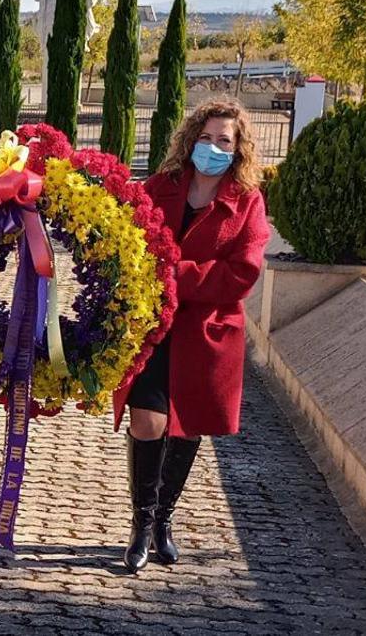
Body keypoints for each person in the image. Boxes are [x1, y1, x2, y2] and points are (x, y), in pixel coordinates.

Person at [114, 97, 270, 572]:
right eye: (205, 138)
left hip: (207, 334)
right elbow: (127, 242)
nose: (213, 147)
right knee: (148, 421)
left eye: (224, 140)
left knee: (187, 429)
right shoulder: (161, 187)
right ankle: (140, 524)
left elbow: (242, 273)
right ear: (190, 140)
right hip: (154, 326)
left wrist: (174, 274)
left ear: (238, 147)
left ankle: (163, 520)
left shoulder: (247, 202)